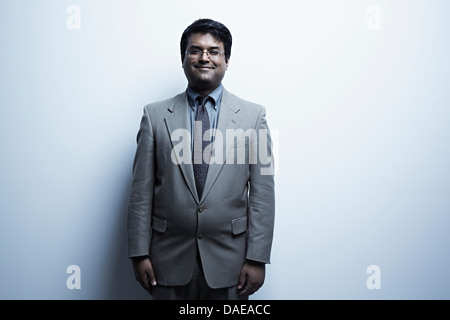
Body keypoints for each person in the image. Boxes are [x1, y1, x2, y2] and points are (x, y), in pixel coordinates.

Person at [127, 18, 275, 300]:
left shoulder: (254, 117)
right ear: (183, 58)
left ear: (227, 60)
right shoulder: (155, 116)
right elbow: (140, 192)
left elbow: (263, 194)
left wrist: (257, 258)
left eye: (214, 51)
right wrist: (139, 252)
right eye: (195, 50)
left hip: (231, 262)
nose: (204, 57)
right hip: (166, 261)